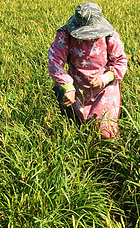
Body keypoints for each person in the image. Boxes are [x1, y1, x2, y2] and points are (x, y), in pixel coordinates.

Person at [48, 2, 128, 139]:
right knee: (76, 128)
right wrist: (67, 87)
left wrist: (105, 78)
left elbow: (120, 61)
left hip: (105, 90)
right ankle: (61, 96)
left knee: (106, 133)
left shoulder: (110, 36)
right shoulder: (65, 35)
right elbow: (55, 62)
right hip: (78, 89)